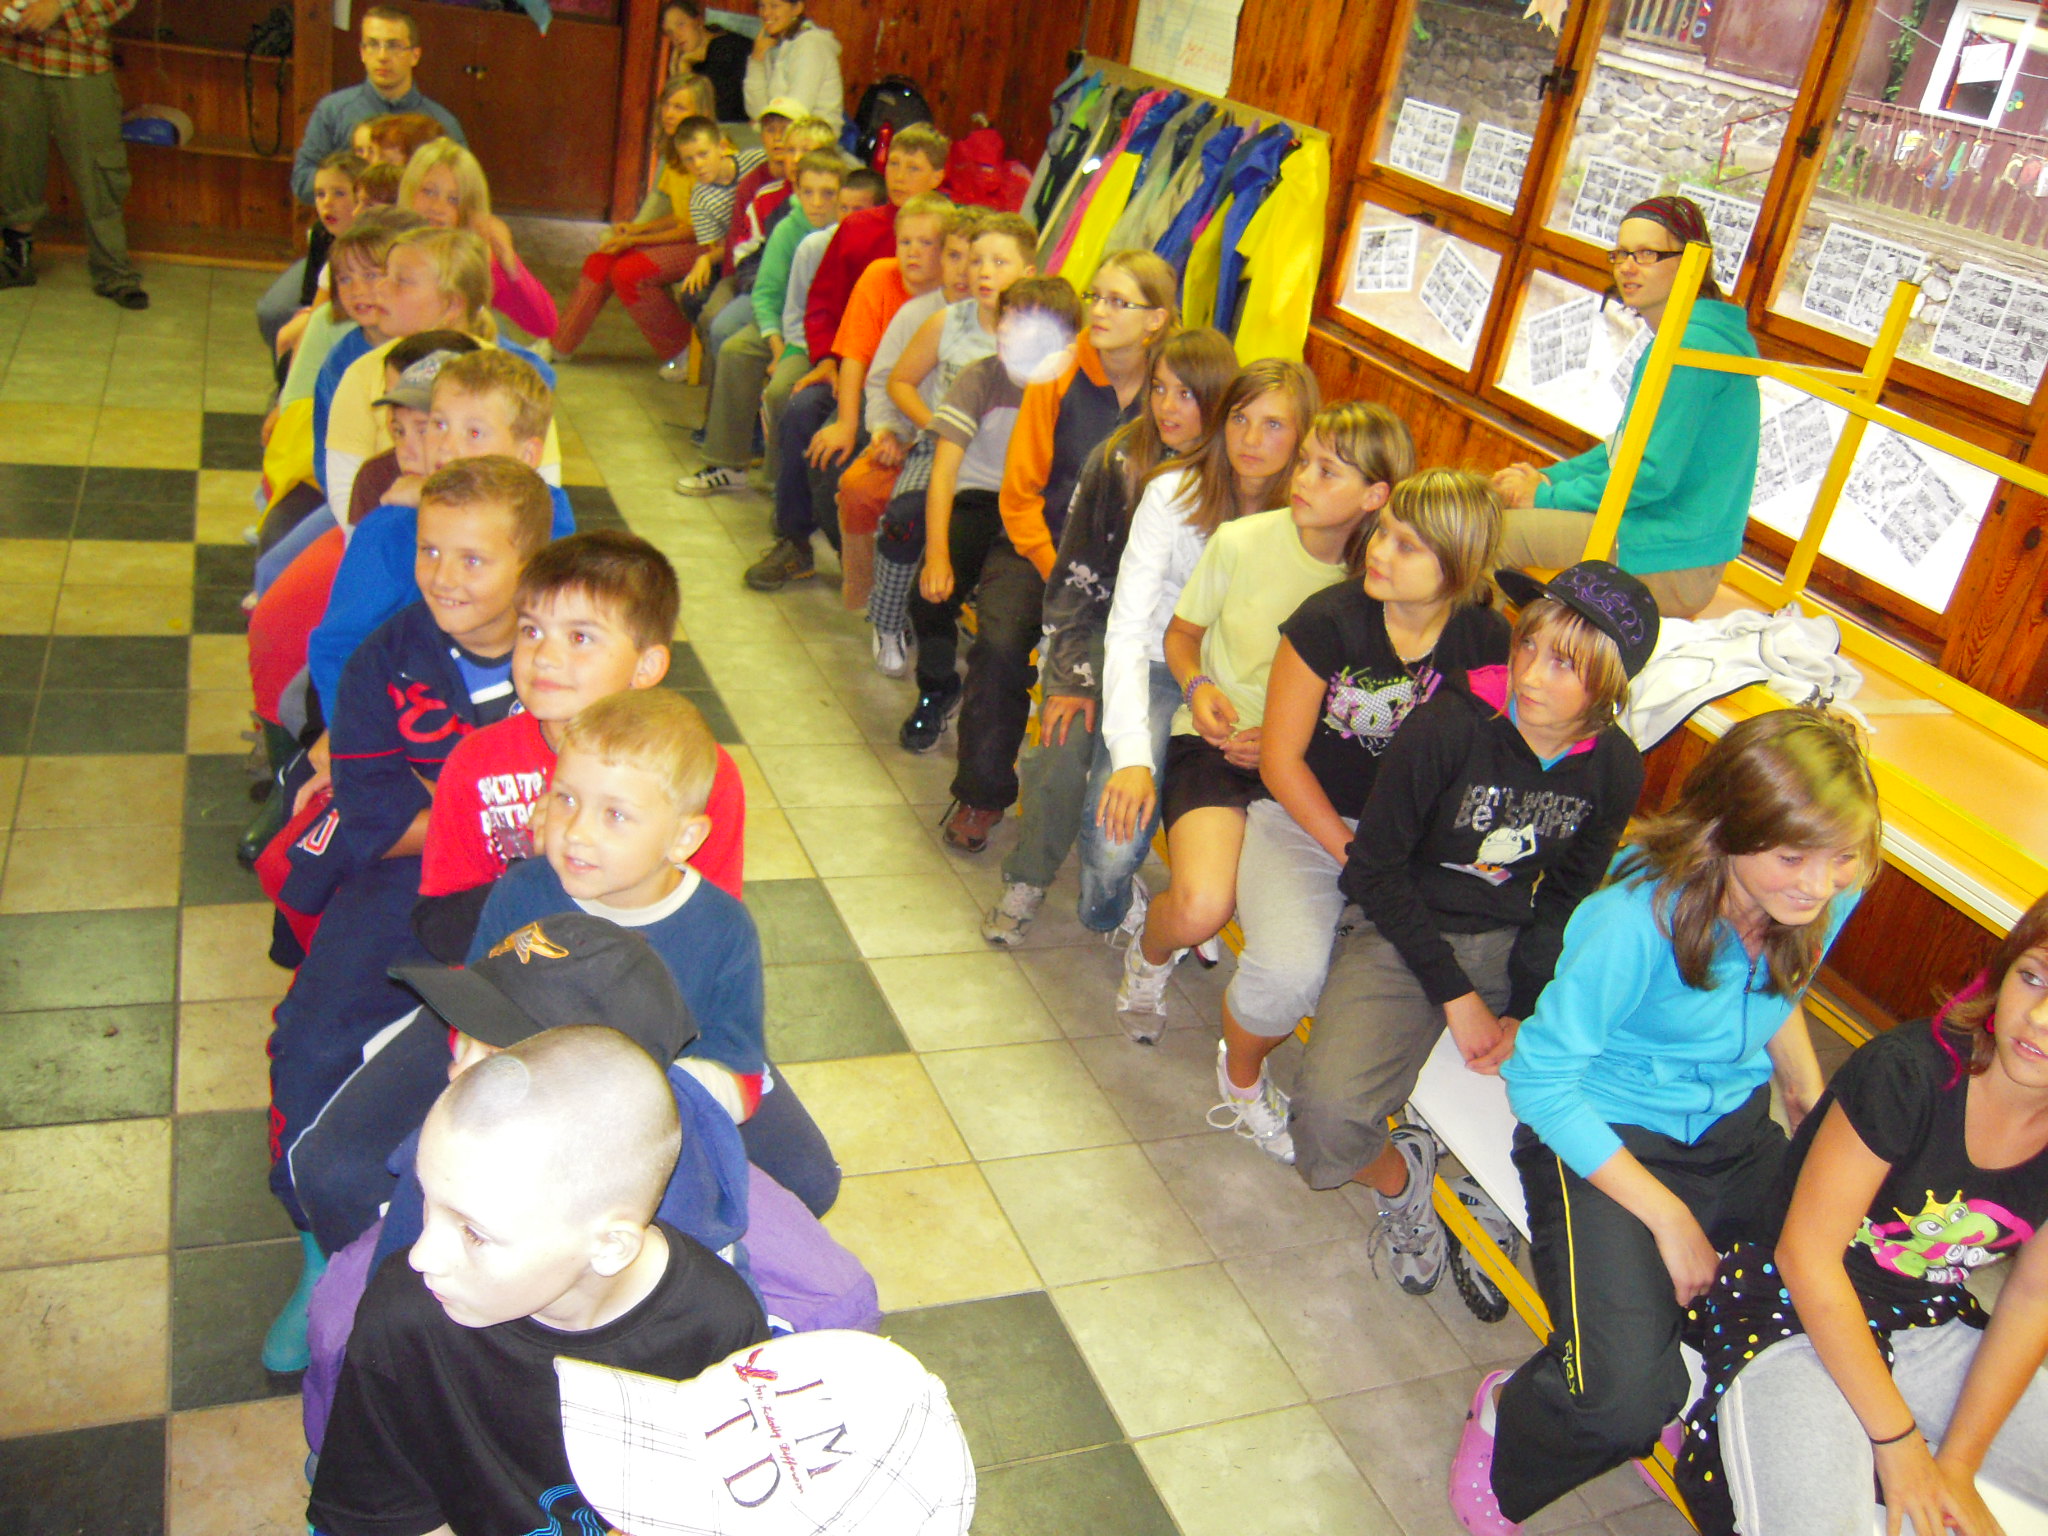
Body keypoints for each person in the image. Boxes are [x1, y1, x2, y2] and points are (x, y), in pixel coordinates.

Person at [1451, 707, 1879, 1534]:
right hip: (1602, 1127)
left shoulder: (1824, 891)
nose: (1819, 884)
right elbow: (1541, 1082)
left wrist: (1805, 1095)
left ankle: (1692, 1413)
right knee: (1623, 1403)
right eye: (1793, 857)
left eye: (1841, 858)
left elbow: (1778, 982)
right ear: (1726, 829)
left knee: (1829, 1309)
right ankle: (1511, 1417)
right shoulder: (1633, 917)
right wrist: (1670, 1217)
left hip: (1732, 1129)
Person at [260, 456, 555, 1371]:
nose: (442, 577)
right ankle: (318, 1240)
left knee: (547, 1054)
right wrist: (502, 806)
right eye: (430, 551)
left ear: (528, 563)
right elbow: (379, 826)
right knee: (310, 1037)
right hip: (409, 880)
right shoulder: (386, 661)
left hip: (548, 885)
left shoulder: (565, 652)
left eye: (473, 559)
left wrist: (455, 797)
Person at [1292, 557, 1651, 1290]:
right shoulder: (1447, 725)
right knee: (1326, 1121)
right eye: (1528, 645)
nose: (1531, 675)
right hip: (1401, 928)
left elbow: (1568, 895)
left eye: (1564, 664)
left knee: (1608, 1097)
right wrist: (1457, 996)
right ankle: (1405, 1178)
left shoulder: (1615, 767)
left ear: (1608, 688)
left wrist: (1526, 1004)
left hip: (1511, 942)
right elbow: (1374, 872)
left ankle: (1498, 1198)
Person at [1675, 888, 2048, 1536]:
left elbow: (2032, 1298)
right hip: (1790, 1309)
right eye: (2034, 977)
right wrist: (1898, 1442)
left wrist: (1957, 1464)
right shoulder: (1908, 1074)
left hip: (1923, 1320)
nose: (2038, 1017)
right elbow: (1805, 1258)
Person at [306, 1026, 769, 1536]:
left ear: (610, 1246)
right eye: (426, 1200)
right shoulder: (406, 1315)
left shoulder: (719, 1325)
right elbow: (375, 1515)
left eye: (474, 1233)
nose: (421, 1256)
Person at [1212, 467, 1517, 1162]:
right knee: (1287, 975)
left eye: (1407, 545)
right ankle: (1241, 1075)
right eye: (1384, 533)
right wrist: (1357, 857)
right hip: (1310, 823)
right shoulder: (1328, 620)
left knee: (1440, 966)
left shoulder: (1485, 638)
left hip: (1415, 838)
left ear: (1457, 564)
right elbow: (1281, 763)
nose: (1378, 550)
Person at [469, 689, 841, 1219]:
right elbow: (474, 1000)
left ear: (683, 838)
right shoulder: (522, 892)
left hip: (659, 1109)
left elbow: (738, 1076)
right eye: (565, 799)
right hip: (531, 1098)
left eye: (616, 815)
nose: (576, 832)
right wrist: (478, 1049)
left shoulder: (723, 930)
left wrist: (636, 1102)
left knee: (807, 1181)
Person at [1112, 378, 1364, 1040]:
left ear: (1374, 496)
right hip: (1216, 743)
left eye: (1326, 470)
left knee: (1304, 929)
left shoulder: (1373, 580)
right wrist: (1199, 687)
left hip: (1305, 765)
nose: (1302, 479)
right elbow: (1181, 636)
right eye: (1304, 462)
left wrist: (1286, 746)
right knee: (1201, 906)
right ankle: (1150, 954)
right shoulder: (1242, 540)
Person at [914, 250, 1182, 855]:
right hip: (1040, 547)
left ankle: (1102, 804)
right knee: (1000, 643)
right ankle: (982, 793)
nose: (1100, 311)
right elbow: (1019, 496)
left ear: (1157, 319)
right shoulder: (1057, 372)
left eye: (1119, 301)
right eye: (1096, 297)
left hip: (1136, 567)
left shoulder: (1173, 389)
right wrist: (1063, 574)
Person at [978, 328, 1234, 945]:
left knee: (1119, 802)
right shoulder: (1119, 458)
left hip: (1192, 661)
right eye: (1159, 389)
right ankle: (1029, 876)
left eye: (1186, 394)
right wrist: (1070, 675)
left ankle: (1115, 889)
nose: (1168, 407)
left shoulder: (1239, 477)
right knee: (1063, 744)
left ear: (1218, 399)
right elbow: (1074, 581)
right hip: (1101, 631)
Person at [421, 529, 747, 906]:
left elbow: (710, 926)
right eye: (531, 630)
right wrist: (539, 873)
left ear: (645, 666)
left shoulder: (702, 776)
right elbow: (438, 920)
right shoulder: (476, 761)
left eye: (579, 638)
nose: (544, 656)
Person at [1491, 195, 1759, 620]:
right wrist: (1549, 478)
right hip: (1659, 540)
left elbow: (1649, 475)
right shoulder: (1684, 339)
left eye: (1647, 254)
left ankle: (1473, 656)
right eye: (1621, 254)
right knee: (1478, 507)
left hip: (1670, 559)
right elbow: (1625, 450)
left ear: (1693, 263)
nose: (1627, 267)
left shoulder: (1691, 349)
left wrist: (1546, 496)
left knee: (1484, 537)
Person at [310, 345, 575, 715]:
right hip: (399, 713)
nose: (447, 447)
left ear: (527, 455)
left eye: (474, 432)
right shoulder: (388, 531)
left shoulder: (550, 513)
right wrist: (356, 734)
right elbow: (338, 648)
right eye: (438, 424)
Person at [745, 191, 951, 588]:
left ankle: (867, 566)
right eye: (905, 242)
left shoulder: (951, 296)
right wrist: (846, 423)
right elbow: (855, 356)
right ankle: (794, 541)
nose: (912, 252)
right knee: (803, 413)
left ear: (946, 251)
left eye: (926, 243)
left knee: (834, 471)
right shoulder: (879, 275)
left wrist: (881, 430)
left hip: (911, 403)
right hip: (866, 389)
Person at [851, 209, 1031, 635]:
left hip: (1007, 465)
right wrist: (938, 425)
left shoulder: (1042, 334)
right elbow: (900, 382)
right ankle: (887, 621)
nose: (984, 272)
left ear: (1028, 273)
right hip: (942, 450)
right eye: (977, 261)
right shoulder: (948, 321)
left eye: (999, 263)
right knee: (905, 517)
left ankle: (968, 602)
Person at [271, 6, 464, 349]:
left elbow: (461, 195)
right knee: (273, 314)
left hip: (414, 252)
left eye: (394, 45)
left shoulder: (441, 125)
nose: (382, 56)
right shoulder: (334, 110)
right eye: (372, 44)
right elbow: (302, 178)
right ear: (361, 51)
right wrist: (344, 196)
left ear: (414, 54)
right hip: (343, 242)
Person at [823, 202, 980, 611]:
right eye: (954, 257)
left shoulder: (999, 319)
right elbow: (882, 381)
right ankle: (866, 595)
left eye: (975, 261)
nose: (964, 271)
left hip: (978, 453)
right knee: (858, 490)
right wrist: (886, 431)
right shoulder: (916, 314)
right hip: (915, 438)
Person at [677, 146, 846, 492]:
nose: (816, 202)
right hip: (782, 324)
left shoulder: (847, 230)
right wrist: (776, 346)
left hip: (820, 334)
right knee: (736, 350)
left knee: (783, 388)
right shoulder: (787, 229)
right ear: (796, 190)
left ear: (842, 194)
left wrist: (787, 355)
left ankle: (779, 483)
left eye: (828, 193)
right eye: (808, 191)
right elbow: (767, 294)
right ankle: (727, 464)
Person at [553, 73, 716, 363]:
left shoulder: (707, 154)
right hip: (686, 236)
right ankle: (558, 345)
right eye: (667, 104)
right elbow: (680, 215)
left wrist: (637, 239)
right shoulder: (675, 152)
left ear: (701, 113)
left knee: (630, 272)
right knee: (601, 259)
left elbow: (697, 229)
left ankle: (683, 353)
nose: (668, 113)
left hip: (710, 246)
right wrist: (637, 230)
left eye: (680, 107)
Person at [0, 0, 147, 308]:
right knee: (14, 159)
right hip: (13, 57)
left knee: (100, 169)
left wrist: (59, 7)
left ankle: (114, 271)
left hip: (80, 63)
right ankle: (16, 260)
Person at [400, 138, 557, 344]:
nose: (437, 208)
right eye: (428, 192)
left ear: (470, 211)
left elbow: (544, 325)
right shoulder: (388, 244)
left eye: (454, 200)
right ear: (410, 189)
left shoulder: (472, 263)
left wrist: (509, 263)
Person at [743, 0, 843, 129]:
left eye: (774, 6)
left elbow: (797, 110)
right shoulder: (775, 44)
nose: (765, 13)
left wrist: (761, 124)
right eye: (762, 6)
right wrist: (757, 60)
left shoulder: (810, 45)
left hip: (814, 137)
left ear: (797, 8)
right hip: (780, 134)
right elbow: (757, 112)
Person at [661, 0, 749, 122]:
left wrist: (684, 71)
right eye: (670, 32)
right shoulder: (694, 60)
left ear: (698, 21)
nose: (676, 36)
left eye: (681, 25)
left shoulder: (726, 48)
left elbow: (709, 115)